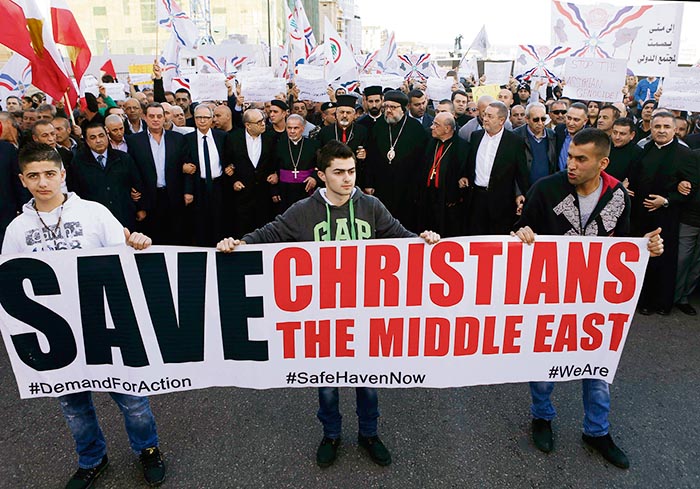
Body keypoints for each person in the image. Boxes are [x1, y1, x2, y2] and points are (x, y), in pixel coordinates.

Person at [216, 140, 440, 468]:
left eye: (351, 171)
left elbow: (399, 235)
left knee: (368, 381)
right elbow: (269, 234)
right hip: (322, 316)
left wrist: (426, 241)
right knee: (328, 383)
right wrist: (238, 243)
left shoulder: (371, 205)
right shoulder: (303, 211)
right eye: (339, 173)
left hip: (365, 310)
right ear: (322, 175)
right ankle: (331, 434)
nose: (348, 179)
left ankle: (369, 433)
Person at [1, 142, 165, 488]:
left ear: (62, 174)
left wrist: (138, 244)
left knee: (132, 399)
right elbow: (11, 282)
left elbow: (125, 264)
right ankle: (92, 459)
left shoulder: (94, 213)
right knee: (74, 407)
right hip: (56, 337)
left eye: (49, 173)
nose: (43, 182)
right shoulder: (16, 231)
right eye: (33, 176)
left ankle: (148, 449)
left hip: (106, 325)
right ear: (22, 180)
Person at [513, 128, 664, 470]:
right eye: (570, 156)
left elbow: (623, 247)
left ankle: (597, 431)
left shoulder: (618, 196)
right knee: (543, 362)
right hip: (550, 295)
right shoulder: (545, 189)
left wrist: (648, 248)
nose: (572, 165)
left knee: (597, 368)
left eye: (582, 159)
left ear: (603, 163)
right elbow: (519, 231)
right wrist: (520, 233)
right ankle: (542, 416)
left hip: (596, 300)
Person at [628, 112, 697, 315]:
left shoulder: (686, 155)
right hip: (641, 215)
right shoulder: (642, 150)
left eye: (666, 127)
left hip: (667, 217)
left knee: (664, 260)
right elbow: (633, 176)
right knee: (643, 259)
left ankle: (662, 303)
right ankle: (644, 302)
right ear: (651, 128)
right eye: (657, 126)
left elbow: (689, 190)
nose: (661, 130)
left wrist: (666, 200)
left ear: (675, 130)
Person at [127, 102, 194, 245]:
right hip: (149, 198)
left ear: (164, 118)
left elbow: (188, 166)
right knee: (153, 239)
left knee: (177, 237)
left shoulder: (177, 138)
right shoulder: (134, 141)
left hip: (174, 196)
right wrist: (139, 205)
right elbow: (133, 172)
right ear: (145, 117)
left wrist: (188, 191)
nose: (155, 119)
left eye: (159, 116)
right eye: (151, 116)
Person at [461, 101, 529, 234]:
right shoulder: (476, 136)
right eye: (485, 115)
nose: (485, 119)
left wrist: (520, 194)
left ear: (501, 120)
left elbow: (521, 173)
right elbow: (470, 164)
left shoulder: (515, 142)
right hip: (476, 199)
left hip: (502, 203)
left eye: (490, 116)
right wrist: (464, 176)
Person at [364, 90, 428, 231]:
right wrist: (369, 182)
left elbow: (421, 162)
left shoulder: (416, 129)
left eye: (393, 107)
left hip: (407, 188)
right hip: (382, 186)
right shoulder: (378, 126)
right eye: (386, 107)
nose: (388, 111)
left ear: (403, 109)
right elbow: (371, 158)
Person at [70, 122, 145, 230]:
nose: (98, 140)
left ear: (107, 136)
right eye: (93, 137)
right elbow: (76, 191)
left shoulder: (123, 158)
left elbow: (137, 183)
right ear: (86, 141)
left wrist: (140, 208)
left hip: (124, 215)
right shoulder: (78, 162)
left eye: (101, 136)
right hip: (95, 220)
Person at [224, 108, 278, 236]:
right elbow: (227, 163)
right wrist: (234, 181)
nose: (263, 124)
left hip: (264, 195)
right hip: (242, 195)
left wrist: (276, 175)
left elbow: (275, 162)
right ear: (248, 125)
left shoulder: (271, 137)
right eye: (259, 122)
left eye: (263, 121)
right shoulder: (233, 138)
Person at [417, 112, 467, 236]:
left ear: (447, 128)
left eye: (436, 125)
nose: (432, 127)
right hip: (427, 198)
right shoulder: (429, 142)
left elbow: (464, 173)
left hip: (447, 203)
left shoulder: (462, 148)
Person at [183, 104, 228, 246]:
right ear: (194, 119)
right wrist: (188, 191)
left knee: (220, 221)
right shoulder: (187, 139)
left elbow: (229, 158)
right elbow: (186, 164)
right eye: (199, 117)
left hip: (219, 186)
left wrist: (231, 166)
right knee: (200, 223)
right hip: (198, 187)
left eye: (205, 117)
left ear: (211, 119)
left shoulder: (222, 136)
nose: (202, 120)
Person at [318, 94, 369, 187]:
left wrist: (365, 154)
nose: (344, 115)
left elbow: (369, 158)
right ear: (336, 114)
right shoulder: (325, 132)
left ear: (354, 115)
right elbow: (319, 155)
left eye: (348, 113)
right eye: (341, 112)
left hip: (355, 179)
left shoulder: (362, 131)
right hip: (331, 178)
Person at [276, 114, 319, 212]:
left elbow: (320, 166)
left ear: (303, 129)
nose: (292, 131)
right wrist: (274, 190)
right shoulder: (279, 145)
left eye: (296, 128)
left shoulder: (313, 145)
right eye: (289, 128)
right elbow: (274, 169)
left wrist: (314, 177)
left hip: (306, 188)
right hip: (285, 190)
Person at [513, 102, 557, 186]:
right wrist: (518, 193)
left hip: (547, 188)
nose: (540, 123)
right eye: (536, 119)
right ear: (527, 119)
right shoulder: (516, 136)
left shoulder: (552, 135)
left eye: (543, 119)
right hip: (525, 190)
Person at [554, 102, 588, 172]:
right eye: (569, 118)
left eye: (576, 120)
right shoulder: (559, 130)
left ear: (585, 121)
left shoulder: (590, 137)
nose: (571, 123)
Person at [606, 118, 640, 182]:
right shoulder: (604, 147)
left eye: (622, 134)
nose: (617, 137)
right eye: (615, 132)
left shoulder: (638, 153)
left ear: (632, 135)